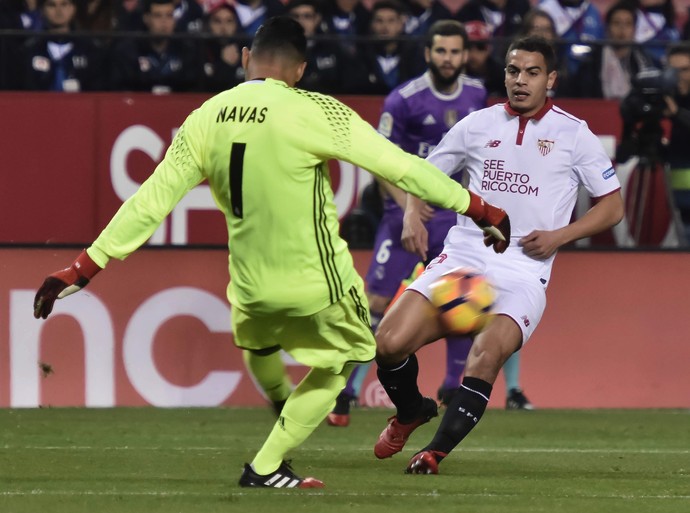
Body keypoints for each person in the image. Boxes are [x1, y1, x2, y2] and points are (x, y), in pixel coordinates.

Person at [33, 16, 511, 488]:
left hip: (248, 288)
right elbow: (404, 168)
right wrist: (478, 206)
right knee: (348, 357)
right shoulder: (317, 110)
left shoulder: (206, 116)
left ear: (245, 59)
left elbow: (150, 201)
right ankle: (267, 464)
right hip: (315, 283)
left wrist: (85, 265)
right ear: (300, 70)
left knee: (259, 344)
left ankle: (284, 402)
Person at [372, 35, 624, 475]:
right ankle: (411, 410)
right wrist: (412, 211)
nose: (520, 81)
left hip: (524, 273)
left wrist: (560, 236)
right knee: (388, 344)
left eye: (532, 72)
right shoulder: (477, 125)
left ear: (551, 80)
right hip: (462, 262)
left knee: (485, 356)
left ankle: (434, 453)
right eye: (513, 71)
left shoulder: (573, 134)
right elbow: (425, 174)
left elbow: (613, 206)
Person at [327, 20, 489, 427]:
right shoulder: (402, 100)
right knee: (374, 303)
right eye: (441, 51)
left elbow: (476, 158)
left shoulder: (477, 94)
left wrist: (471, 209)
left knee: (461, 298)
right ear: (427, 54)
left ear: (464, 55)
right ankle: (342, 392)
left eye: (455, 52)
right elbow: (380, 162)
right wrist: (408, 209)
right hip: (404, 213)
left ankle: (453, 385)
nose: (448, 59)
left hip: (451, 216)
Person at [563, 0, 656, 99]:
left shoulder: (644, 61)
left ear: (634, 30)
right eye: (617, 23)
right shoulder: (591, 61)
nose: (622, 29)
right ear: (607, 28)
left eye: (628, 24)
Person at [109, 0, 200, 92]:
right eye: (158, 15)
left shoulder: (186, 50)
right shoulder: (129, 51)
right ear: (146, 19)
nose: (164, 22)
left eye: (169, 15)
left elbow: (192, 89)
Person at [18, 0, 107, 91]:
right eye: (51, 5)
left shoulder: (90, 49)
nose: (59, 11)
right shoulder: (30, 50)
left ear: (74, 8)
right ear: (42, 10)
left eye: (64, 4)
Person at [349, 0, 424, 94]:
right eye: (379, 21)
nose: (385, 26)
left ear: (400, 24)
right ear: (372, 24)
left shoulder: (414, 55)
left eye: (391, 20)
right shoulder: (361, 56)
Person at [664, 44, 690, 244]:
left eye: (685, 70)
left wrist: (677, 113)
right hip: (670, 189)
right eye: (674, 70)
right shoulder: (662, 94)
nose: (679, 76)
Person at [200, 0, 247, 92]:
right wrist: (225, 65)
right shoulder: (200, 50)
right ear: (208, 24)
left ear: (236, 24)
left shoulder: (245, 48)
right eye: (217, 21)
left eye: (229, 21)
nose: (223, 27)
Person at [463, 20, 505, 97]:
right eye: (468, 47)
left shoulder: (502, 75)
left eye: (480, 47)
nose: (473, 54)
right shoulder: (455, 74)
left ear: (489, 48)